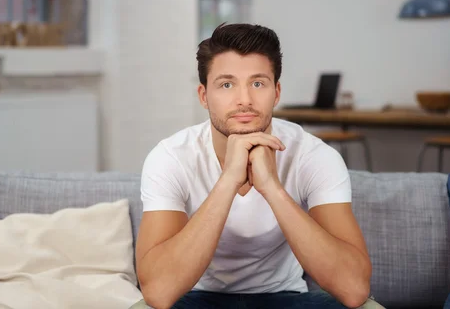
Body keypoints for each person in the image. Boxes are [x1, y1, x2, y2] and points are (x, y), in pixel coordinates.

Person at [134, 23, 376, 309]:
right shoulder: (171, 157)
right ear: (203, 96)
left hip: (286, 298)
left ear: (276, 92)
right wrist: (228, 181)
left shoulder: (314, 156)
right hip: (194, 298)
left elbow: (353, 288)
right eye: (226, 84)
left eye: (258, 83)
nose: (245, 100)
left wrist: (271, 187)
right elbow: (160, 292)